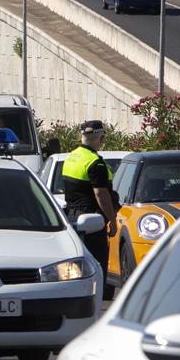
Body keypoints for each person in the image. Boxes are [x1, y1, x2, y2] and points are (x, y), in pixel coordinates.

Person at [62, 120, 117, 279]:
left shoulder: (71, 157)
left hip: (72, 218)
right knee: (96, 267)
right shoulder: (94, 162)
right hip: (92, 221)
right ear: (101, 138)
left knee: (77, 267)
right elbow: (101, 195)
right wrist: (112, 220)